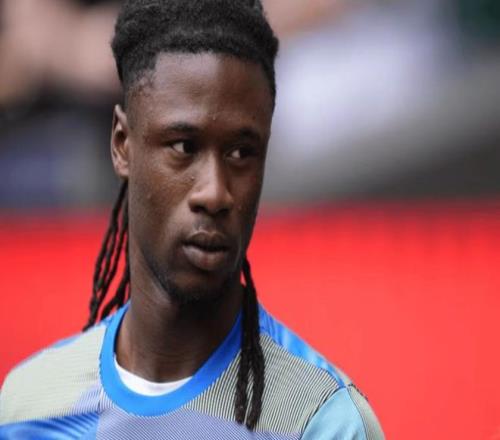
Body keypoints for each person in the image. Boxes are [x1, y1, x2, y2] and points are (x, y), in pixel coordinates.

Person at [0, 1, 385, 438]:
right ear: (123, 146)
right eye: (183, 146)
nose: (215, 192)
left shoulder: (320, 420)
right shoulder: (28, 408)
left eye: (241, 153)